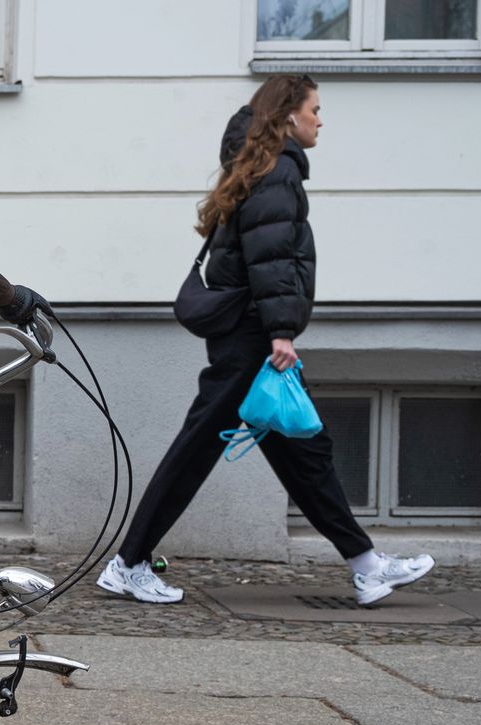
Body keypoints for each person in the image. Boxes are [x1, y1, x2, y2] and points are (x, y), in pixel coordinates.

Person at [97, 74, 433, 607]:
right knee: (197, 450)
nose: (321, 119)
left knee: (305, 451)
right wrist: (280, 332)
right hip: (252, 340)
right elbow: (271, 258)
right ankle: (128, 563)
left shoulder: (261, 169)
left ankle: (368, 566)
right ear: (288, 117)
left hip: (251, 336)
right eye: (315, 109)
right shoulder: (276, 174)